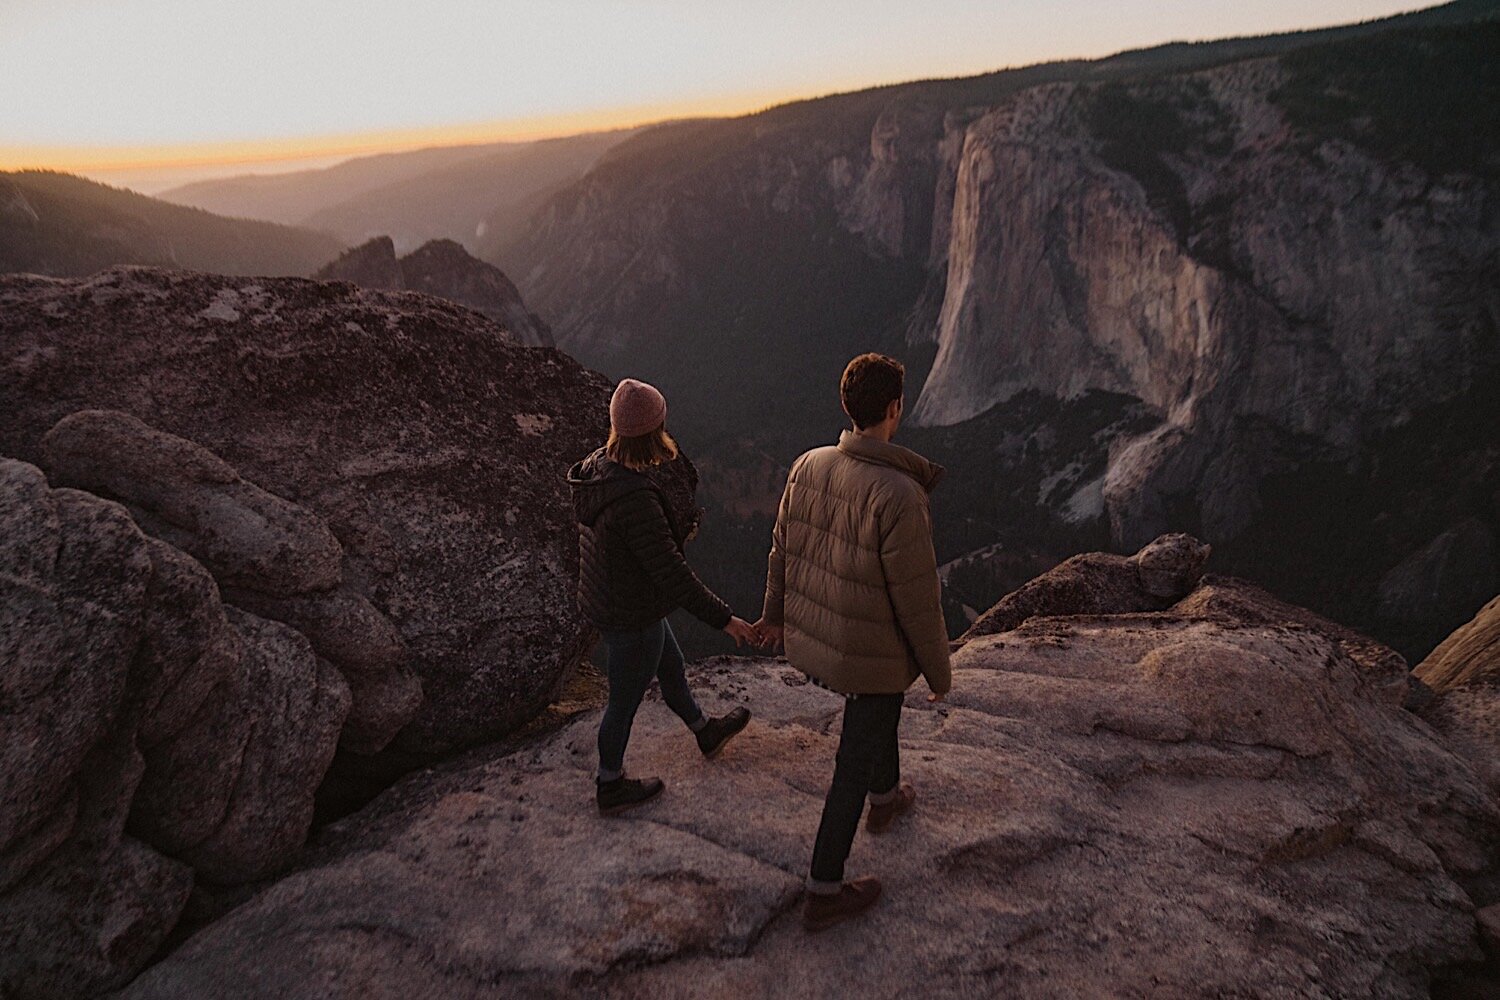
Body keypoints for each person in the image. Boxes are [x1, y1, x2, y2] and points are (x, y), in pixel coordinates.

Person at [754, 353, 952, 931]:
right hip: (869, 652)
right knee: (854, 755)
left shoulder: (807, 465)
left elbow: (780, 550)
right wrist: (940, 675)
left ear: (848, 406)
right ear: (895, 409)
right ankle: (824, 887)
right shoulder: (898, 494)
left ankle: (886, 798)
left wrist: (774, 617)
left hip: (826, 638)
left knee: (878, 711)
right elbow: (918, 600)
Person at [567, 377, 760, 815]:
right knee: (622, 702)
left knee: (671, 667)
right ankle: (610, 784)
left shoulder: (599, 468)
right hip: (629, 614)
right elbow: (674, 574)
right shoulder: (634, 499)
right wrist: (724, 619)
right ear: (652, 434)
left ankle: (704, 730)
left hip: (618, 602)